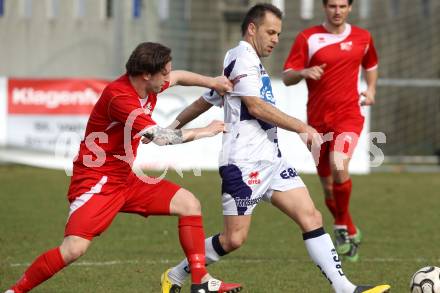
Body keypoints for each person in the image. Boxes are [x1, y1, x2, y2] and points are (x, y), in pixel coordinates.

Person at [160, 4, 389, 293]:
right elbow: (255, 107)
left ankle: (345, 288)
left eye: (278, 34)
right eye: (270, 32)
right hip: (244, 166)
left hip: (272, 162)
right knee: (234, 239)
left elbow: (205, 100)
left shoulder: (251, 63)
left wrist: (172, 127)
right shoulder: (241, 57)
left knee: (311, 217)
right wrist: (301, 126)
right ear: (252, 29)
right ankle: (176, 275)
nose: (275, 39)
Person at [4, 42, 242, 293]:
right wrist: (206, 131)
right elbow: (161, 138)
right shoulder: (120, 98)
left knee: (189, 204)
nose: (168, 78)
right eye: (164, 74)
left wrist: (212, 82)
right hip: (97, 182)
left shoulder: (150, 84)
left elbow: (180, 77)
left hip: (124, 179)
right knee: (74, 248)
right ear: (146, 74)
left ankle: (200, 282)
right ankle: (15, 291)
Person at [282, 0, 378, 262]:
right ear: (324, 7)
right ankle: (350, 227)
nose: (338, 11)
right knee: (327, 188)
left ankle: (340, 228)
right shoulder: (308, 38)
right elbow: (287, 75)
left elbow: (370, 64)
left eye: (343, 6)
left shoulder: (363, 37)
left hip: (348, 117)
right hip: (316, 123)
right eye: (332, 6)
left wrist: (370, 89)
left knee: (339, 163)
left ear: (350, 8)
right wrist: (303, 72)